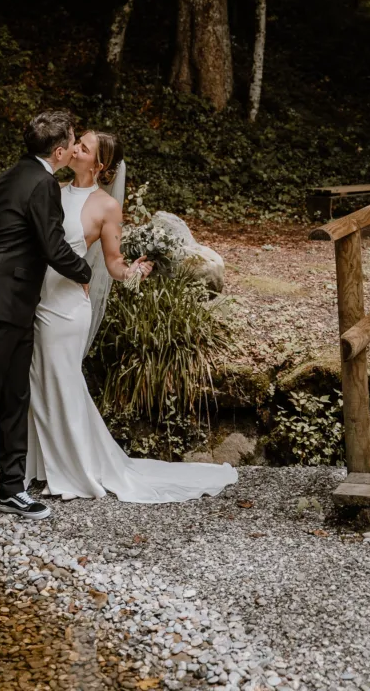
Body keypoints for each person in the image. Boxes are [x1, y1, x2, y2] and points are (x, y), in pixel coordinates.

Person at [26, 130, 238, 503]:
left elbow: (112, 263)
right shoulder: (51, 190)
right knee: (40, 383)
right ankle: (42, 467)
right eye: (78, 143)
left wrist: (134, 272)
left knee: (63, 382)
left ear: (100, 164)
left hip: (68, 307)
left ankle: (75, 471)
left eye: (85, 147)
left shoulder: (105, 206)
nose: (75, 148)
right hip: (39, 303)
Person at [0, 110, 92, 537]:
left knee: (15, 397)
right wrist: (85, 272)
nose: (75, 145)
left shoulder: (4, 178)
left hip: (11, 303)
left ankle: (11, 488)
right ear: (60, 151)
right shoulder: (43, 182)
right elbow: (51, 245)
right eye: (72, 141)